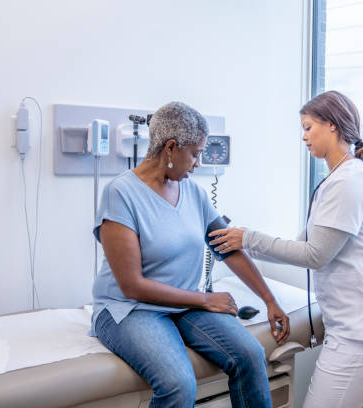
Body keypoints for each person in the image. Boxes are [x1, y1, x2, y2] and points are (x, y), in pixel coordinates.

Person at [209, 91, 363, 408]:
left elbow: (316, 256)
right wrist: (242, 240)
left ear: (332, 125)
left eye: (308, 127)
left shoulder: (349, 182)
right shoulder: (338, 179)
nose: (303, 136)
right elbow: (302, 245)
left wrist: (248, 238)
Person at [90, 101, 290, 408]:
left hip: (183, 304)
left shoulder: (194, 193)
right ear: (171, 148)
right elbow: (132, 285)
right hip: (129, 309)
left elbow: (228, 248)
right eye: (195, 153)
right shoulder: (120, 194)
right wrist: (207, 300)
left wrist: (269, 300)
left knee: (250, 355)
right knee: (178, 385)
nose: (197, 163)